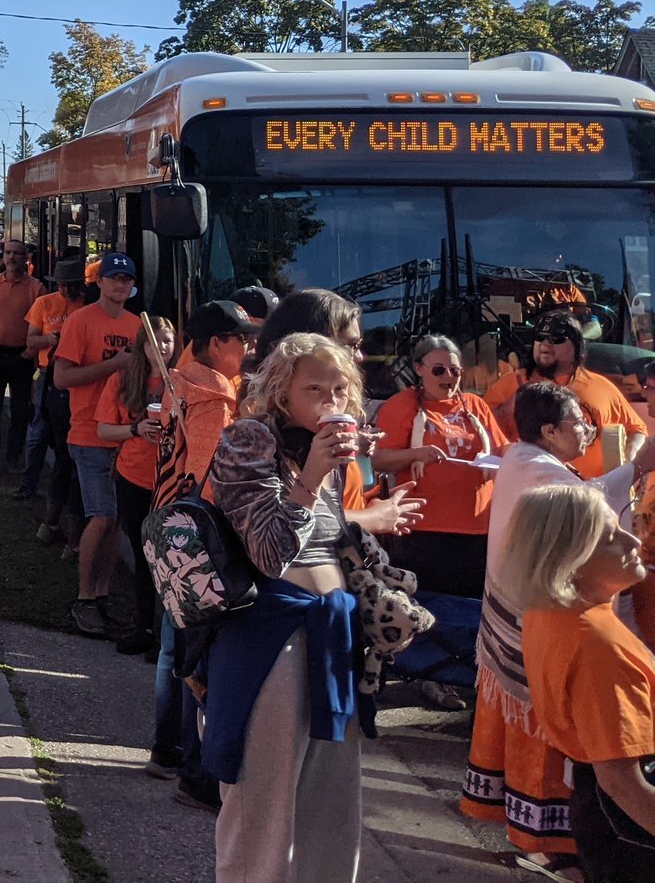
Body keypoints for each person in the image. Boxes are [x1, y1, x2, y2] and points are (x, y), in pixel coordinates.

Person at [203, 333, 425, 883]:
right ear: (282, 391)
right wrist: (309, 478)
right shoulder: (250, 438)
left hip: (333, 638)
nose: (330, 399)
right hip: (269, 641)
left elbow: (331, 540)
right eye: (314, 387)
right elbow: (269, 553)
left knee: (332, 816)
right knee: (264, 814)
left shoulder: (329, 450)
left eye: (340, 388)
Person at [464, 378, 655, 870]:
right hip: (551, 639)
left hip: (533, 623)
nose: (588, 431)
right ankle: (550, 845)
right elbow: (584, 506)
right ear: (548, 431)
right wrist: (638, 466)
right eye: (579, 424)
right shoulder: (597, 644)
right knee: (565, 748)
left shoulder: (522, 459)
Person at [506, 483, 655, 883]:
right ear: (570, 561)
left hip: (598, 806)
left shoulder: (552, 611)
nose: (632, 537)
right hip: (632, 822)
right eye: (609, 538)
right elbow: (625, 784)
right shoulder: (598, 647)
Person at [146, 298, 258, 811]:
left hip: (164, 523)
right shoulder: (213, 397)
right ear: (218, 343)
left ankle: (164, 748)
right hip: (198, 537)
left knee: (172, 647)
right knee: (195, 657)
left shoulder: (179, 380)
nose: (251, 349)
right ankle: (192, 768)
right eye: (244, 340)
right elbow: (212, 474)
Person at [53, 254, 168, 639]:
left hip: (125, 436)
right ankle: (84, 600)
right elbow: (61, 377)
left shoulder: (138, 325)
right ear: (98, 282)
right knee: (101, 517)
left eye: (126, 279)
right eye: (113, 278)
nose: (120, 285)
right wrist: (115, 364)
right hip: (89, 433)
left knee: (114, 521)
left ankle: (101, 597)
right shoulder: (80, 321)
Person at [372, 334, 501, 598]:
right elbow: (379, 459)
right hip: (421, 531)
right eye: (439, 370)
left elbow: (501, 449)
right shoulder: (401, 405)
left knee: (469, 612)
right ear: (419, 369)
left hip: (476, 530)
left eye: (455, 371)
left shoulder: (475, 405)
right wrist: (417, 453)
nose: (449, 377)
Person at [94, 323, 165, 657]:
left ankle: (164, 637)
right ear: (142, 347)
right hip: (134, 477)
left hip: (170, 481)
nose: (162, 347)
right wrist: (136, 428)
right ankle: (144, 628)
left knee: (168, 560)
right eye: (155, 342)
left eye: (168, 341)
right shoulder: (123, 381)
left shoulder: (181, 382)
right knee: (142, 555)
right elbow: (105, 430)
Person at [531, 311, 647, 480]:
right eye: (540, 337)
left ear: (576, 346)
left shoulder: (602, 386)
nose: (545, 345)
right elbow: (487, 439)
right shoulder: (512, 385)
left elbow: (637, 429)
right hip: (537, 498)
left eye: (556, 339)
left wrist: (629, 459)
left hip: (596, 495)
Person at [18, 259, 85, 508]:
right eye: (62, 285)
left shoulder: (87, 305)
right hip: (48, 372)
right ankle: (28, 484)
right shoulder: (44, 303)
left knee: (71, 434)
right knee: (39, 430)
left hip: (78, 374)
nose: (66, 291)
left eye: (71, 285)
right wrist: (49, 338)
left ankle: (68, 488)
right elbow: (30, 341)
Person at [0, 239, 41, 473]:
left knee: (20, 411)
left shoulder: (36, 288)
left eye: (17, 253)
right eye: (8, 253)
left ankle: (13, 457)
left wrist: (28, 354)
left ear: (26, 258)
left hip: (21, 357)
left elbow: (40, 327)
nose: (11, 257)